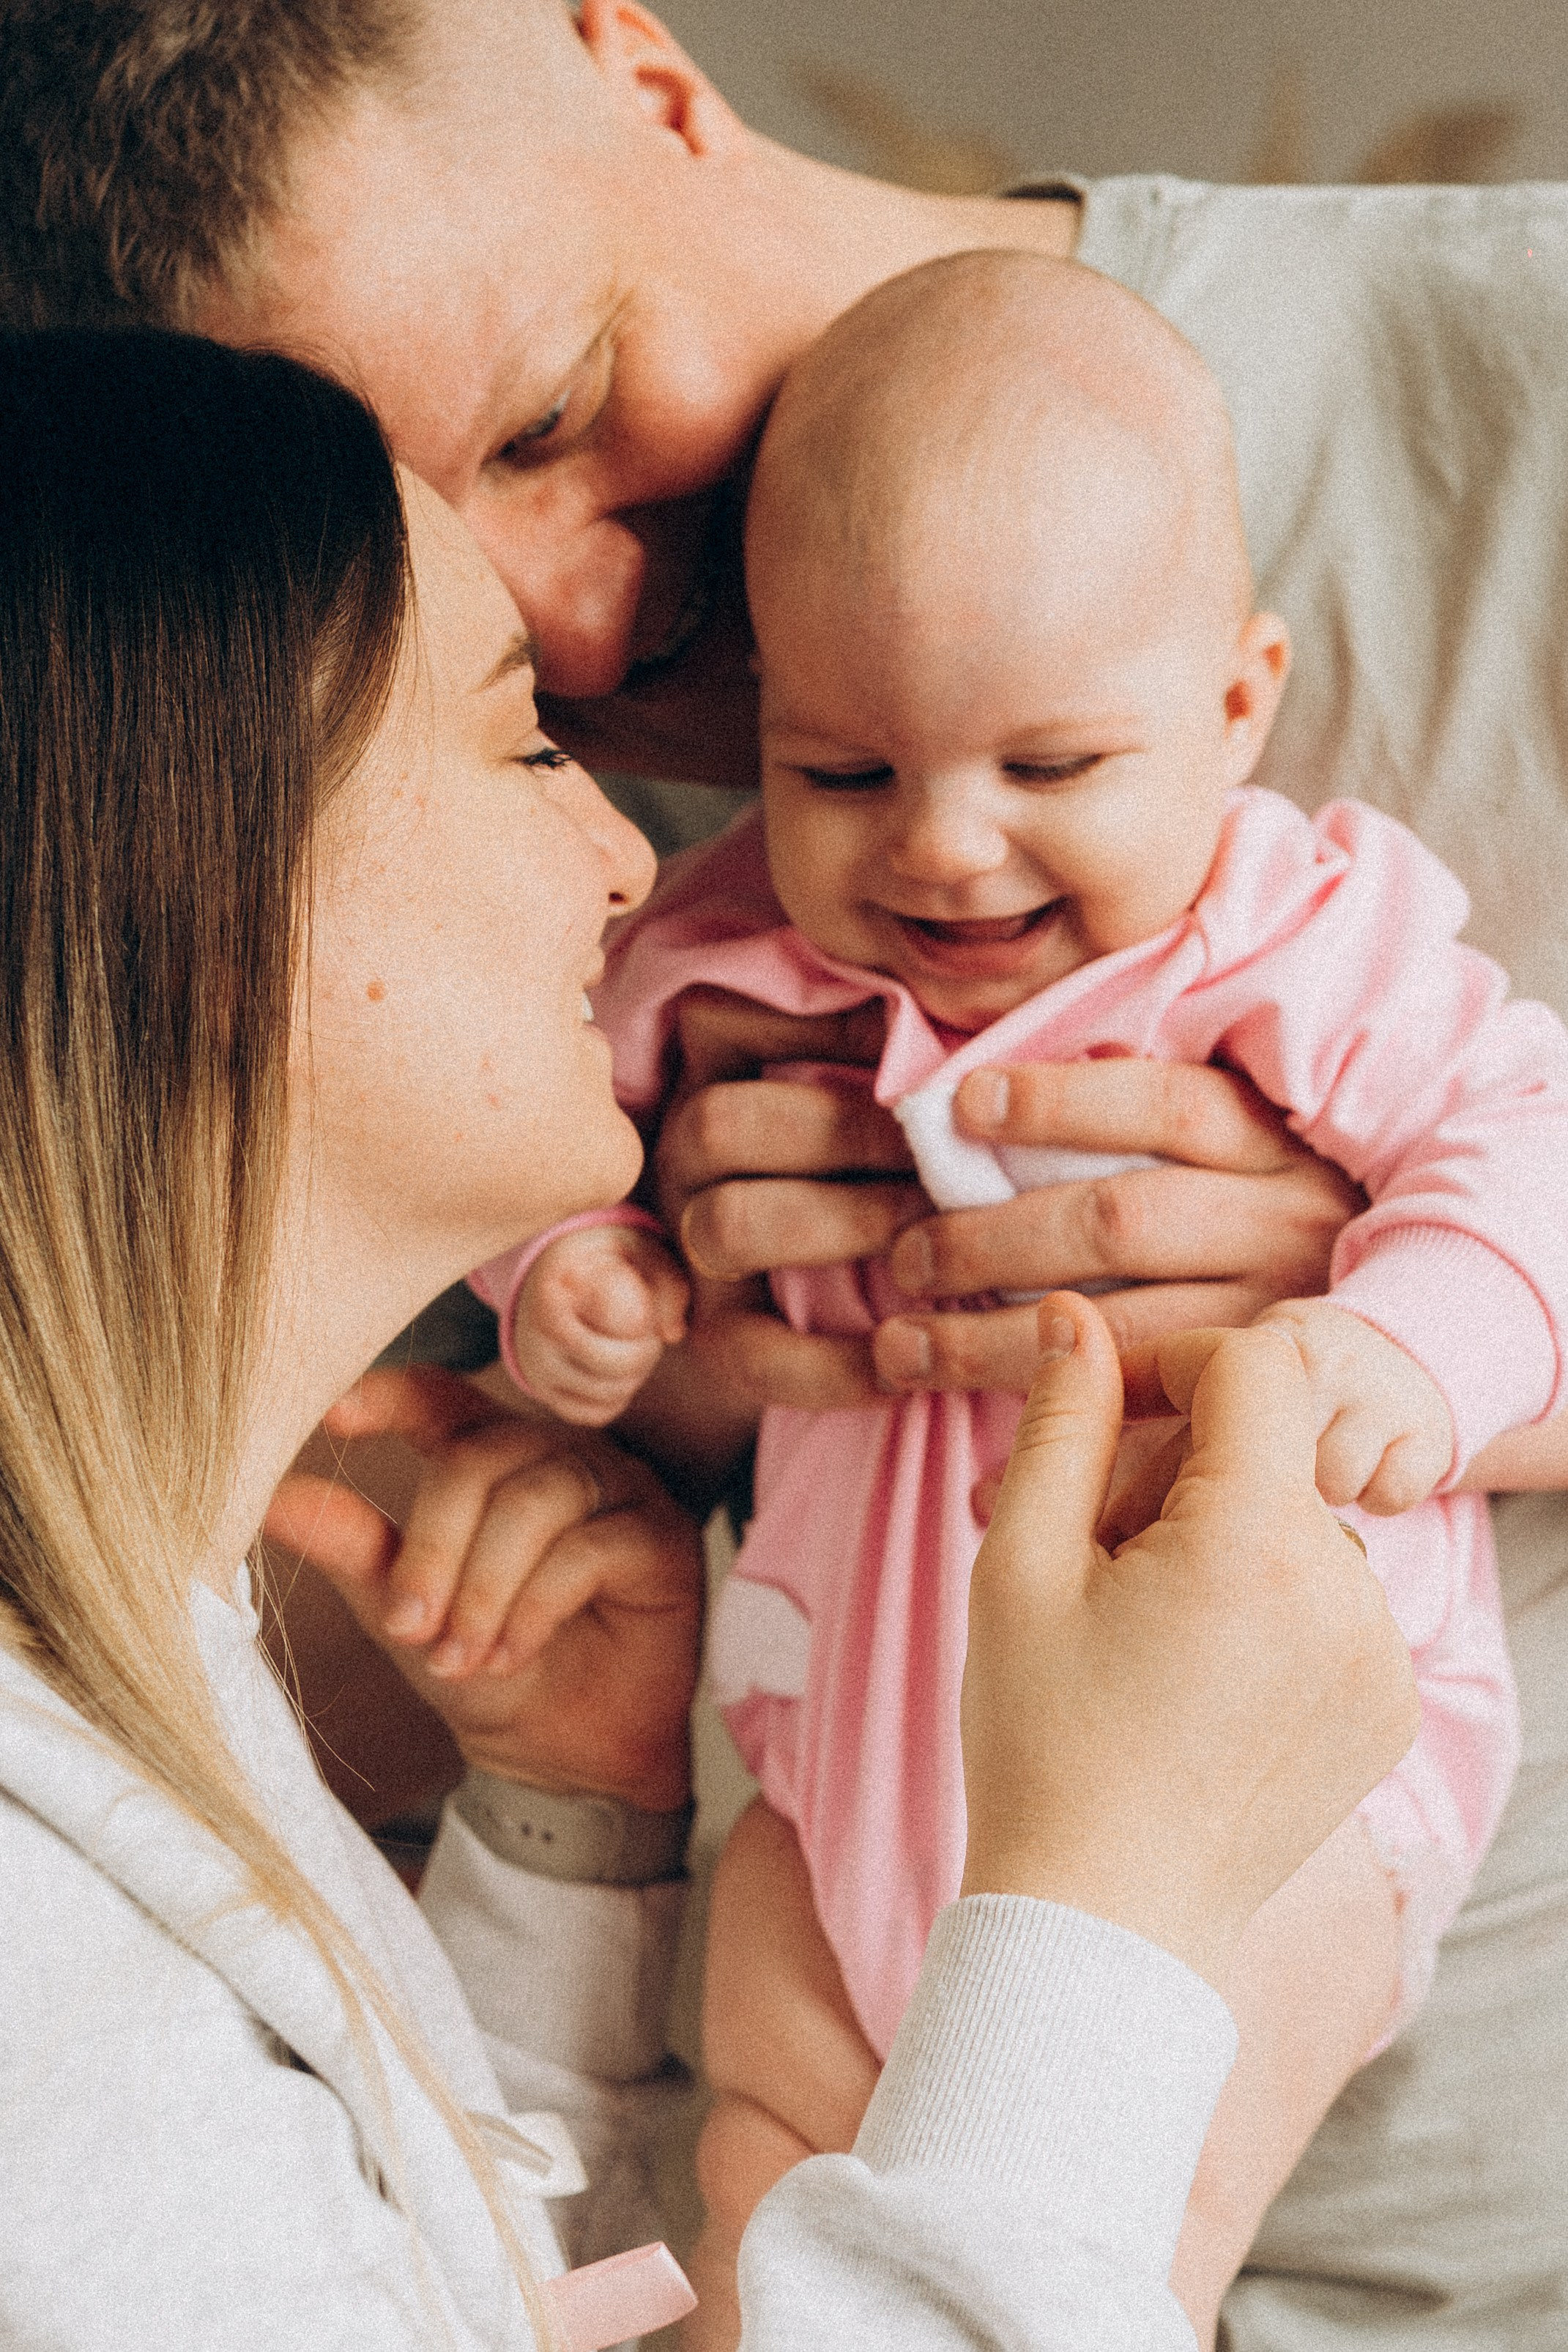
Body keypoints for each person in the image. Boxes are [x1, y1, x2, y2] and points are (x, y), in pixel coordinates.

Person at [7, 5, 1568, 2339]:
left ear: (632, 65)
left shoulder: (1509, 399)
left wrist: (1383, 1326)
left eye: (554, 415)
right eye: (475, 617)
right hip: (864, 2062)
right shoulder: (493, 863)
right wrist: (690, 1379)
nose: (598, 624)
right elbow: (251, 1580)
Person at [486, 248, 1567, 2345]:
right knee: (767, 2175)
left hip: (1269, 1776)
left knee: (1112, 2222)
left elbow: (1523, 1142)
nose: (949, 851)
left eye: (1051, 767)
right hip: (831, 1750)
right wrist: (577, 1274)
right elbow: (537, 1121)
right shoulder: (723, 955)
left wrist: (1401, 1340)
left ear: (1235, 703)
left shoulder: (1291, 938)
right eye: (849, 772)